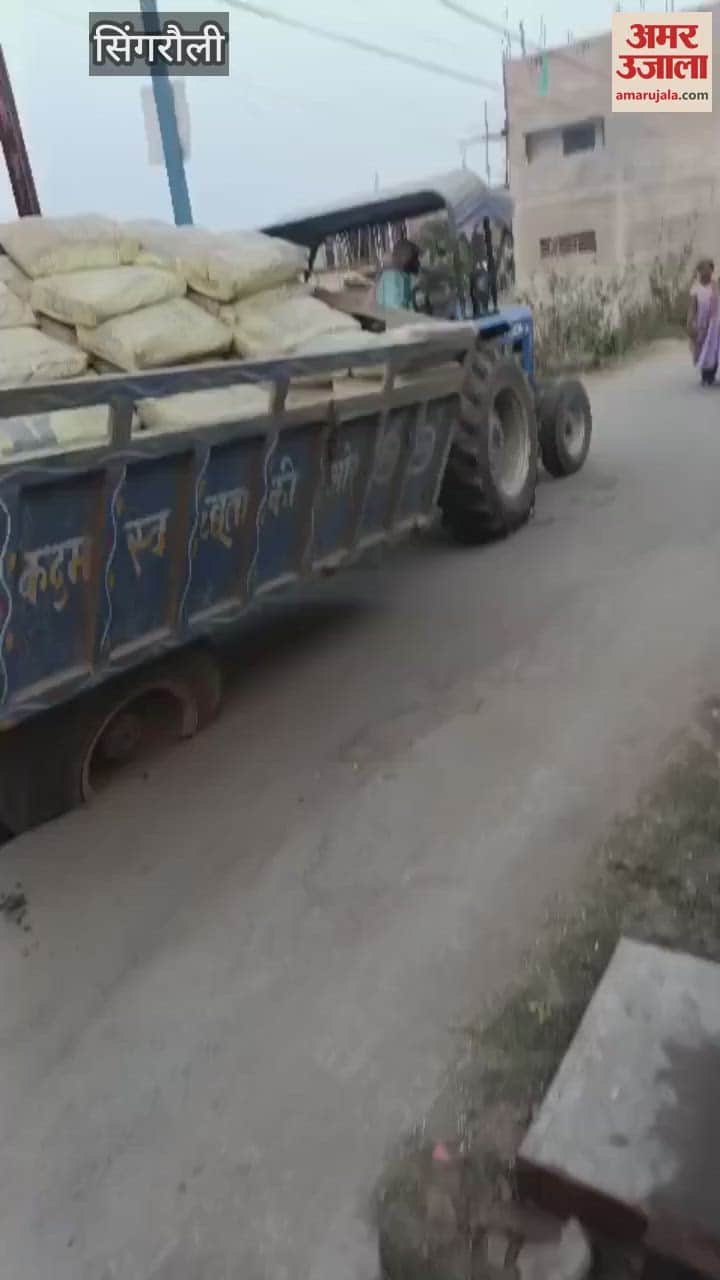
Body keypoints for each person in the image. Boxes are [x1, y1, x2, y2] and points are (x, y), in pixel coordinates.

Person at [688, 258, 720, 386]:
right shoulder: (695, 288)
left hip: (715, 324)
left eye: (709, 269)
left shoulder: (716, 286)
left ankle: (712, 374)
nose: (707, 272)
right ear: (699, 271)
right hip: (701, 323)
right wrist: (690, 322)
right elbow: (692, 307)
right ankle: (705, 375)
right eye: (704, 270)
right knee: (702, 349)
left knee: (714, 349)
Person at [375, 239, 421, 311]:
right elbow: (396, 308)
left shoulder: (387, 276)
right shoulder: (396, 278)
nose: (418, 263)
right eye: (415, 258)